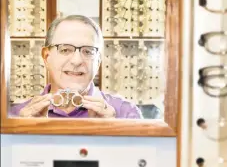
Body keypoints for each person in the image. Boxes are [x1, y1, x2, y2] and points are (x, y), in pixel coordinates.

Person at [9, 15, 143, 119]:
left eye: (88, 51)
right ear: (46, 56)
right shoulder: (15, 115)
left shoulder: (126, 113)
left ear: (99, 61)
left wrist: (115, 132)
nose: (77, 60)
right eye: (65, 50)